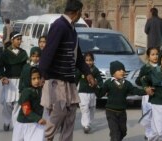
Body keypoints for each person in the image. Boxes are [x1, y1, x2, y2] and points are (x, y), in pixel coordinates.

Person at [39, 0, 96, 141]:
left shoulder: (71, 30)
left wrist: (87, 73)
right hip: (57, 80)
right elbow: (49, 51)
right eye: (80, 13)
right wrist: (42, 74)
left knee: (70, 114)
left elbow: (78, 57)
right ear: (76, 12)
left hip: (69, 80)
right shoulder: (59, 26)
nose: (80, 15)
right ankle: (46, 136)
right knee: (60, 111)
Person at [96, 61, 146, 141]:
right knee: (115, 131)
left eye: (123, 70)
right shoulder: (108, 83)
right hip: (110, 111)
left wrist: (146, 91)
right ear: (113, 73)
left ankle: (116, 138)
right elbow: (100, 94)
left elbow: (135, 90)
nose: (122, 71)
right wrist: (95, 87)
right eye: (119, 70)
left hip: (122, 112)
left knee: (123, 131)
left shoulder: (127, 84)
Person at [0, 31, 28, 131]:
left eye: (20, 39)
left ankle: (16, 125)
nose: (19, 41)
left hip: (20, 81)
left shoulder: (23, 53)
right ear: (12, 40)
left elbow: (25, 68)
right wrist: (2, 77)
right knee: (7, 104)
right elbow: (0, 67)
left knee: (17, 104)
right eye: (17, 39)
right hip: (9, 81)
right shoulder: (5, 53)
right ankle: (6, 122)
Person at [12, 67, 46, 141]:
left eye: (38, 78)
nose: (37, 81)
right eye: (33, 79)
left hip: (36, 123)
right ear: (28, 79)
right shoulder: (26, 92)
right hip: (24, 123)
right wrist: (38, 119)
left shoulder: (40, 89)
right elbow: (26, 110)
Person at [75, 52, 103, 134]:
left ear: (93, 61)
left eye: (90, 60)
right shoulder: (81, 70)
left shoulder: (95, 70)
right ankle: (85, 125)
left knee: (92, 108)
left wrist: (98, 84)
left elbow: (100, 81)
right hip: (82, 93)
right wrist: (73, 90)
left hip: (92, 93)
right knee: (85, 108)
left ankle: (89, 123)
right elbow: (76, 80)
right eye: (86, 60)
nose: (88, 62)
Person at [135, 47, 159, 140]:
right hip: (147, 96)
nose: (155, 56)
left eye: (157, 54)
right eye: (153, 54)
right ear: (148, 56)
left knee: (157, 116)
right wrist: (145, 85)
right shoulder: (145, 68)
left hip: (159, 95)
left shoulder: (161, 66)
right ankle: (148, 133)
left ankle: (154, 134)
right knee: (148, 115)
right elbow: (138, 81)